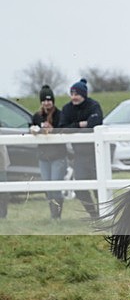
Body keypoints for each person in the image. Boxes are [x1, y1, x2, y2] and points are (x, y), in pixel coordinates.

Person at [58, 78, 103, 219]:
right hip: (79, 155)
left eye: (76, 94)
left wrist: (75, 127)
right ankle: (93, 214)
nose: (74, 97)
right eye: (71, 94)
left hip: (96, 153)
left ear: (83, 94)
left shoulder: (94, 105)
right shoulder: (67, 108)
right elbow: (62, 128)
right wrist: (81, 125)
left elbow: (95, 123)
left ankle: (105, 214)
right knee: (80, 187)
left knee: (99, 187)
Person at [30, 85, 68, 219]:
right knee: (47, 188)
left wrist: (53, 129)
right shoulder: (37, 116)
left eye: (49, 100)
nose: (47, 103)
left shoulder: (59, 114)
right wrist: (34, 130)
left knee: (55, 187)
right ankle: (53, 215)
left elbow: (63, 129)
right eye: (44, 100)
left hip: (58, 156)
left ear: (53, 101)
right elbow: (31, 126)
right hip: (43, 156)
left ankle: (58, 216)